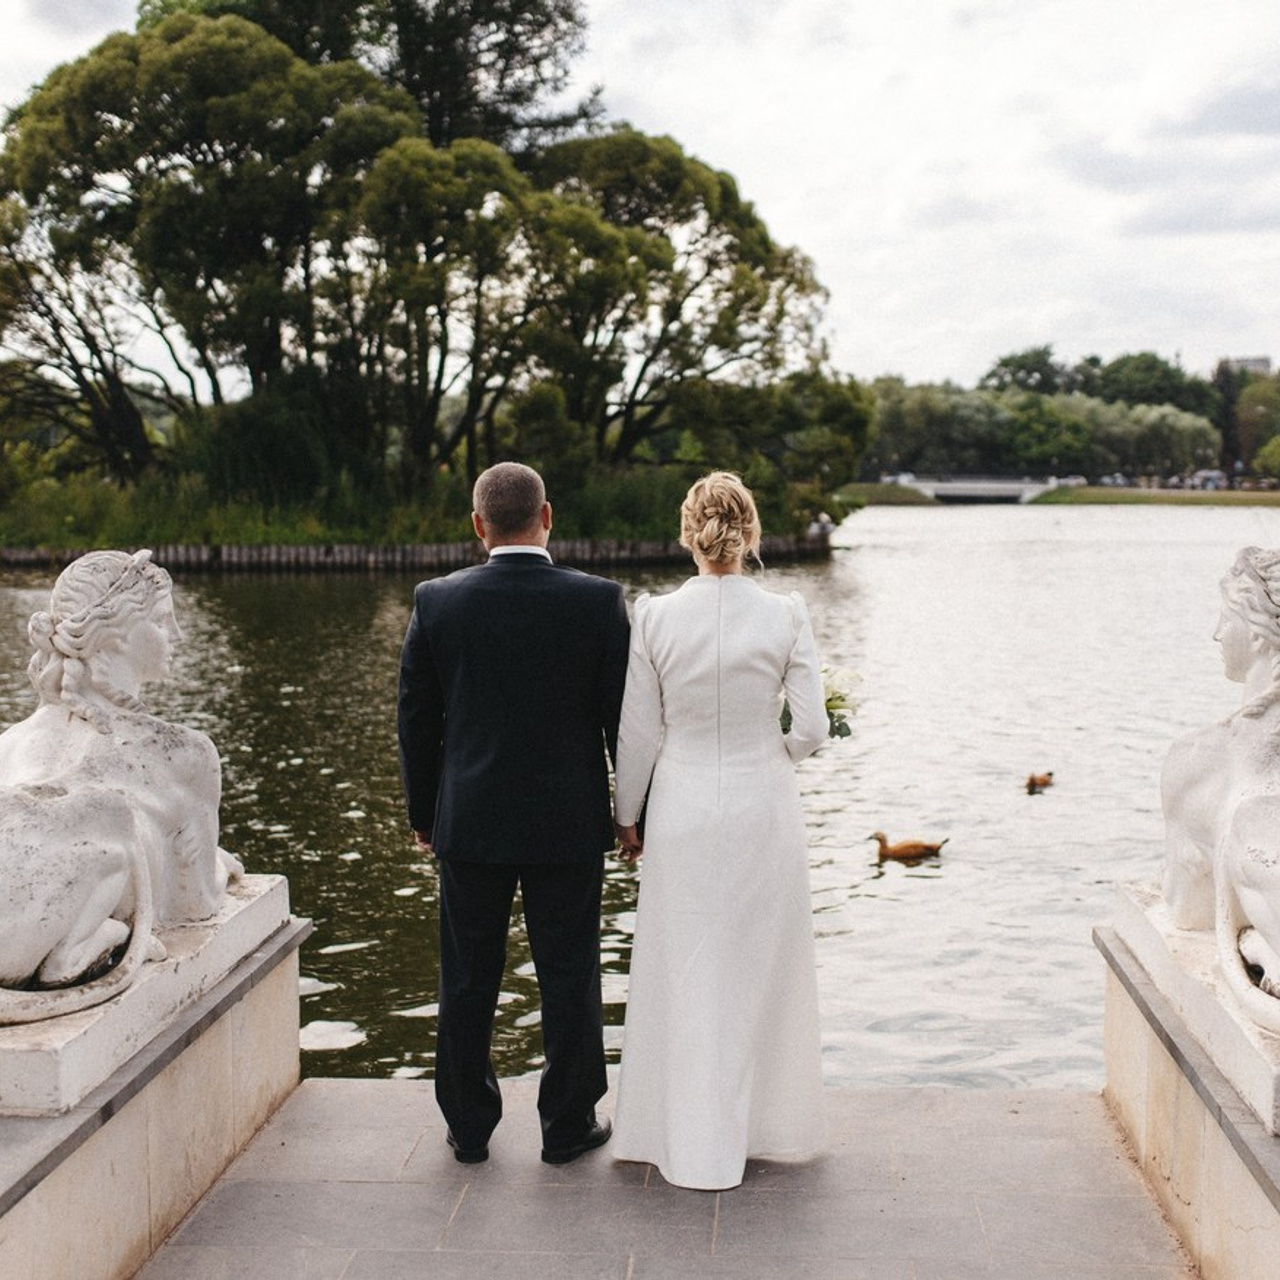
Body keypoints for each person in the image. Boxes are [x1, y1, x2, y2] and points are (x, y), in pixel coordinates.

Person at [397, 461, 630, 1165]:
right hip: (568, 822)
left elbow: (416, 721)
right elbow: (623, 724)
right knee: (570, 973)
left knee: (468, 976)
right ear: (547, 516)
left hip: (469, 821)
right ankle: (567, 1124)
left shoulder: (437, 601)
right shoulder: (599, 601)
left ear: (478, 524)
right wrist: (630, 813)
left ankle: (469, 1128)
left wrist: (424, 814)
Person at [611, 471, 829, 1190]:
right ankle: (760, 1126)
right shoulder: (786, 614)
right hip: (761, 801)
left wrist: (627, 816)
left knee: (685, 963)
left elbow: (638, 734)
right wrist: (774, 752)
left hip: (680, 806)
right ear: (751, 532)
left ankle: (680, 1133)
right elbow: (813, 729)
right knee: (759, 962)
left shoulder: (653, 617)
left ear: (688, 532)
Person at [0, 549, 242, 1019]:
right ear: (117, 635)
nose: (177, 634)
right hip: (34, 932)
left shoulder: (11, 741)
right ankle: (78, 951)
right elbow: (197, 903)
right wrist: (217, 863)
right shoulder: (185, 753)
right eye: (162, 621)